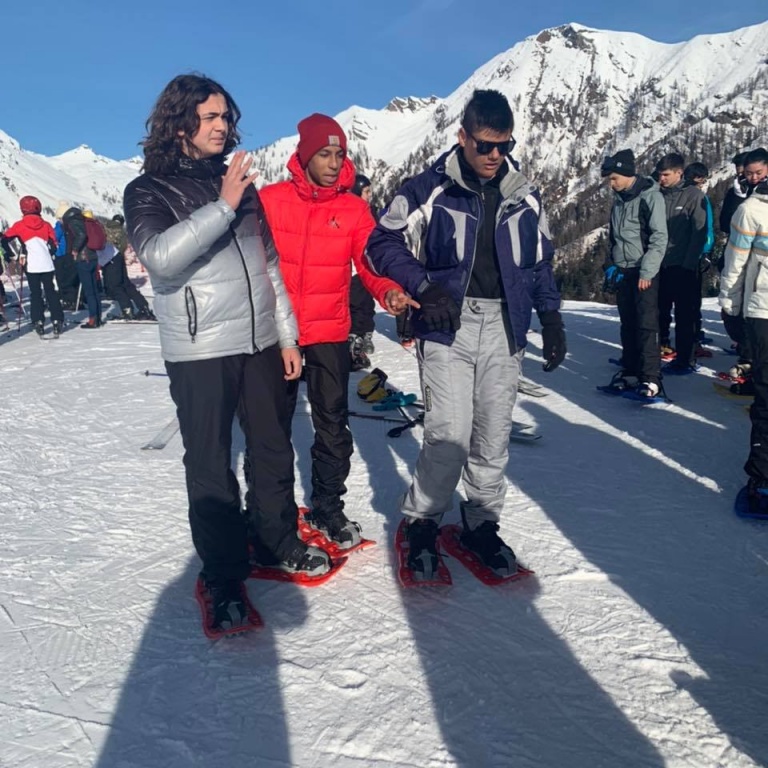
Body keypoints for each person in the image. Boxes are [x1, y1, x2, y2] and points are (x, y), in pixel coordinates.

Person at [123, 74, 330, 634]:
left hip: (260, 340)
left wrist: (286, 335)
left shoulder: (236, 183)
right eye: (210, 117)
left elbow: (268, 266)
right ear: (179, 123)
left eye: (225, 117)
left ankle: (275, 539)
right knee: (211, 461)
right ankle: (222, 573)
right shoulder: (147, 190)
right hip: (200, 347)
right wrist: (222, 205)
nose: (222, 127)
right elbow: (160, 259)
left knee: (272, 447)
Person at [366, 89, 566, 579]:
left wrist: (551, 315)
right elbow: (381, 240)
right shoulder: (430, 187)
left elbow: (540, 262)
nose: (494, 155)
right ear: (463, 137)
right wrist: (423, 286)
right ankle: (421, 522)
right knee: (449, 434)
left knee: (493, 434)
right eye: (484, 145)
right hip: (446, 324)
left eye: (503, 145)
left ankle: (481, 522)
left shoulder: (524, 194)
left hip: (505, 325)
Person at [258, 113, 410, 551]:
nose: (333, 162)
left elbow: (370, 262)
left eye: (339, 154)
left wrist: (388, 290)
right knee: (271, 429)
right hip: (277, 331)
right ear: (305, 155)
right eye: (324, 153)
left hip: (329, 331)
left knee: (333, 426)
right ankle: (271, 514)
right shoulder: (271, 201)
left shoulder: (353, 209)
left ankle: (328, 506)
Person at [600, 149, 668, 398]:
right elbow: (614, 237)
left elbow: (659, 237)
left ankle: (651, 378)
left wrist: (647, 272)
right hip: (624, 270)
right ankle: (630, 370)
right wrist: (611, 264)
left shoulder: (650, 197)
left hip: (643, 271)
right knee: (628, 323)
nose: (611, 184)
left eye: (614, 178)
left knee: (646, 324)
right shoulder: (620, 200)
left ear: (627, 174)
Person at [718, 174, 768, 511]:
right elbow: (735, 261)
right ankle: (763, 475)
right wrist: (730, 303)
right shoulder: (752, 209)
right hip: (764, 308)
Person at [655, 153, 708, 374]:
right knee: (659, 311)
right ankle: (658, 348)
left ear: (679, 173)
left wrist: (689, 264)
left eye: (666, 175)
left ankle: (686, 358)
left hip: (683, 266)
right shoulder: (657, 194)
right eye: (660, 175)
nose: (662, 179)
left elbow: (699, 232)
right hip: (660, 265)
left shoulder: (693, 196)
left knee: (685, 315)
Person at [2, 196, 64, 337]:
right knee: (50, 291)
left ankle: (38, 321)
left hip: (31, 264)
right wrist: (48, 253)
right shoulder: (46, 224)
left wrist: (12, 256)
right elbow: (54, 244)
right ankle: (57, 319)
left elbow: (4, 240)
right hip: (47, 263)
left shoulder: (19, 225)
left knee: (35, 293)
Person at [683, 162, 715, 345]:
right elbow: (706, 227)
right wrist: (706, 251)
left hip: (677, 253)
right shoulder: (700, 198)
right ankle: (694, 333)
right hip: (695, 254)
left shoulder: (677, 195)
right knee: (693, 297)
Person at [101, 213, 156, 321]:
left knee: (115, 286)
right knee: (126, 284)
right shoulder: (121, 231)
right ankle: (143, 306)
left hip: (109, 259)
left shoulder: (105, 227)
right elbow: (124, 246)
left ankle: (127, 309)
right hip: (119, 258)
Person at [56, 202, 102, 328]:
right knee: (94, 290)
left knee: (89, 291)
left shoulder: (73, 222)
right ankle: (97, 317)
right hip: (92, 257)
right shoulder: (83, 220)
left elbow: (81, 235)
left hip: (83, 258)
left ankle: (93, 319)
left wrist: (75, 249)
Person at [347, 173, 376, 370]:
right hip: (353, 269)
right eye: (366, 191)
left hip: (367, 267)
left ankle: (364, 335)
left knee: (367, 304)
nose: (369, 195)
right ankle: (353, 348)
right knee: (356, 306)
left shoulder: (369, 212)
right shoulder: (351, 212)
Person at [53, 210, 80, 310]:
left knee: (62, 279)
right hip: (73, 254)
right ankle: (76, 299)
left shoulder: (60, 226)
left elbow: (54, 237)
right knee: (73, 278)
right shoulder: (73, 226)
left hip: (61, 255)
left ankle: (67, 300)